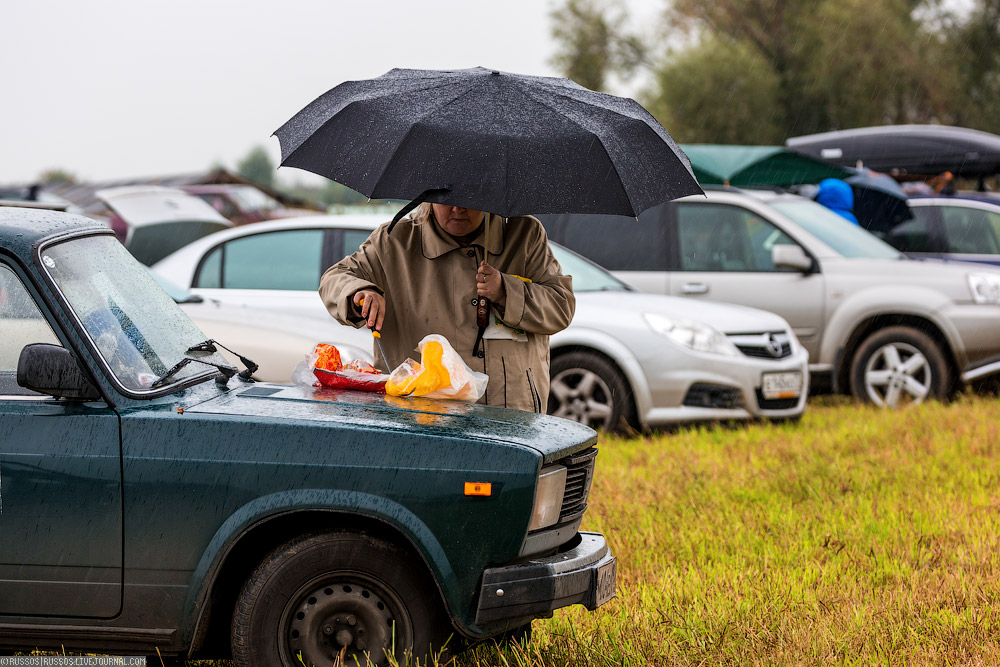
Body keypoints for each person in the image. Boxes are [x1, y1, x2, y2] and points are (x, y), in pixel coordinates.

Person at [318, 203, 575, 412]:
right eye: (446, 199)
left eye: (470, 201)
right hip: (421, 414)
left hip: (512, 410)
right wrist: (359, 291)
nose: (457, 210)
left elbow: (560, 306)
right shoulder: (394, 241)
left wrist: (506, 291)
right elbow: (335, 278)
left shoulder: (524, 235)